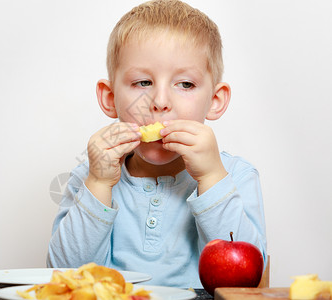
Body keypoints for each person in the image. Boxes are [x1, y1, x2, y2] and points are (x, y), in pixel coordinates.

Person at [47, 0, 267, 288]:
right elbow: (63, 278)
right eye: (142, 83)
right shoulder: (89, 178)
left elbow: (251, 281)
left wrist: (211, 178)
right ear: (110, 98)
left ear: (215, 100)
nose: (160, 103)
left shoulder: (236, 177)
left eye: (185, 84)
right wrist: (99, 183)